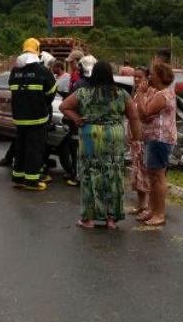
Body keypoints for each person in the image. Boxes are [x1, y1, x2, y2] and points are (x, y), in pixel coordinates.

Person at [60, 61, 142, 228]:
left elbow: (63, 106)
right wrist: (137, 139)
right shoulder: (121, 94)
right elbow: (133, 117)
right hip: (114, 136)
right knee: (113, 175)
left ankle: (88, 218)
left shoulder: (83, 93)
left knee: (90, 175)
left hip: (91, 136)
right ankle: (111, 219)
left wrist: (76, 119)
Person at [9, 38, 55, 190]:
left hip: (19, 118)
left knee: (20, 148)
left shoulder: (15, 71)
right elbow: (51, 93)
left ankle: (18, 178)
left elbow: (13, 89)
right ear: (37, 50)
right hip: (37, 119)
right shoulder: (42, 71)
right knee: (34, 149)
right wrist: (42, 103)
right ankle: (32, 182)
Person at [136, 62, 177, 227]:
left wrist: (140, 93)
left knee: (158, 177)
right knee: (152, 176)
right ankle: (153, 210)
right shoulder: (160, 92)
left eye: (152, 74)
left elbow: (145, 112)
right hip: (153, 138)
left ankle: (160, 213)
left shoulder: (163, 95)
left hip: (160, 139)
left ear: (160, 77)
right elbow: (144, 114)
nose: (150, 77)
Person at [128, 66, 151, 215]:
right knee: (137, 173)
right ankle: (141, 204)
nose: (136, 79)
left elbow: (145, 115)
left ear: (146, 78)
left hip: (143, 139)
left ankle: (148, 205)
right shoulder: (136, 94)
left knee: (145, 172)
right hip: (134, 139)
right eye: (135, 76)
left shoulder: (147, 94)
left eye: (140, 77)